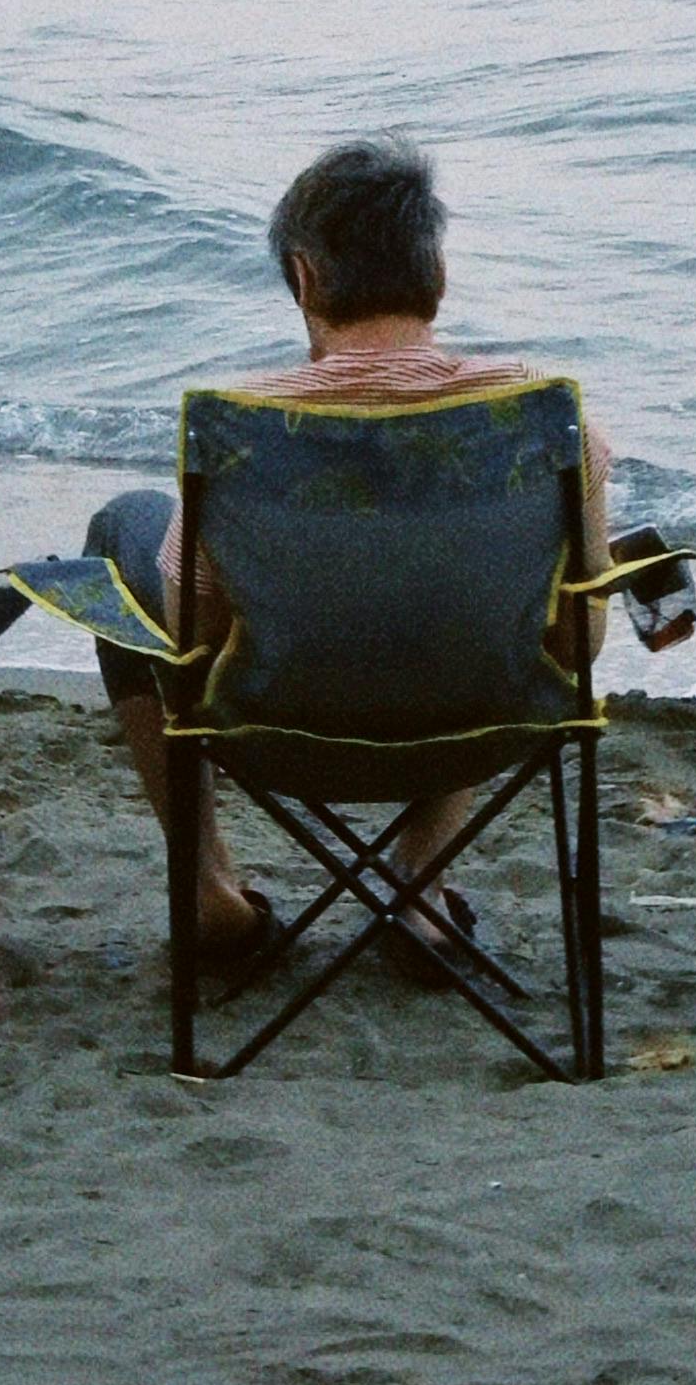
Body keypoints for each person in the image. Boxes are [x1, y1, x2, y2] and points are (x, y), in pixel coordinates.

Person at [81, 135, 614, 972]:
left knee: (122, 528)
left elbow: (191, 635)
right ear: (435, 276)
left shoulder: (241, 431)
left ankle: (208, 892)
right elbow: (579, 646)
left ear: (305, 277)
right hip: (487, 725)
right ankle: (421, 887)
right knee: (480, 603)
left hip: (274, 730)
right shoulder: (550, 428)